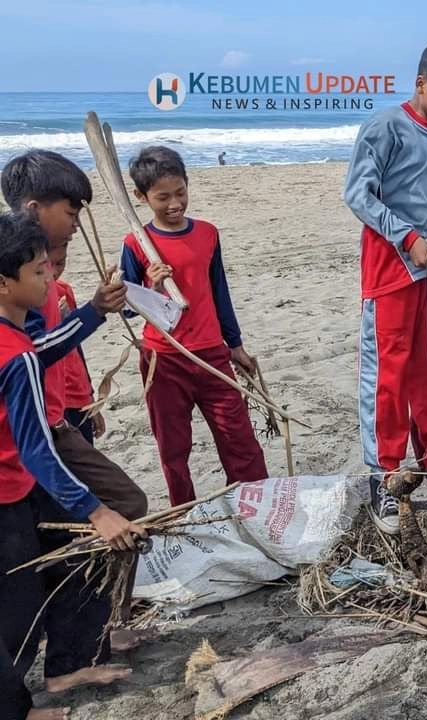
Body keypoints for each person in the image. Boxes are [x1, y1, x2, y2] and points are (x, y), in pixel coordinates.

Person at [0, 212, 147, 720]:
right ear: (5, 283)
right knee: (15, 613)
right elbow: (37, 447)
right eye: (41, 270)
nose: (50, 279)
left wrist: (91, 313)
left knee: (18, 602)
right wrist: (95, 512)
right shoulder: (15, 357)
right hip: (6, 495)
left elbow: (38, 349)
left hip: (12, 490)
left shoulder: (15, 342)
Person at [343, 40, 427, 535]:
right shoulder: (385, 127)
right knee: (388, 377)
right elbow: (357, 193)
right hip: (391, 268)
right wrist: (406, 236)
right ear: (420, 84)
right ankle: (385, 474)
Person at [121, 146, 269, 506]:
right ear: (141, 197)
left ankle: (256, 506)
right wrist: (153, 287)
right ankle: (183, 512)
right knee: (173, 448)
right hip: (164, 359)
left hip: (212, 356)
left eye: (180, 192)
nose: (175, 203)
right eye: (163, 197)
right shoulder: (136, 244)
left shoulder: (207, 234)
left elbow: (220, 293)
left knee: (240, 440)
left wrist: (235, 345)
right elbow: (126, 310)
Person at [50, 243, 100, 445]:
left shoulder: (63, 290)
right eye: (46, 266)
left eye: (60, 263)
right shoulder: (21, 300)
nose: (53, 272)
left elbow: (76, 348)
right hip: (52, 403)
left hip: (77, 396)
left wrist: (90, 398)